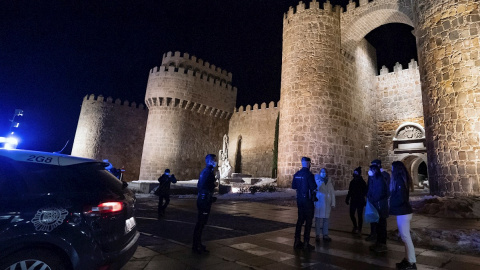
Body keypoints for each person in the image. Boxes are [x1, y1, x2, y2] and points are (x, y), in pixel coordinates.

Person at [390, 161, 417, 270]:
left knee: (406, 238)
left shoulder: (400, 181)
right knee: (405, 237)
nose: (391, 170)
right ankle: (407, 259)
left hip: (403, 212)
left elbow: (400, 198)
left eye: (392, 168)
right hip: (403, 212)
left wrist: (391, 206)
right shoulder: (402, 180)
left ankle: (411, 262)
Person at [192, 154, 218, 254]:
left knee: (201, 223)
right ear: (210, 161)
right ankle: (196, 246)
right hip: (204, 201)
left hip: (204, 199)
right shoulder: (208, 172)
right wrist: (213, 186)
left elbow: (200, 185)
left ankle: (197, 244)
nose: (216, 161)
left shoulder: (206, 171)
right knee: (200, 223)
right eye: (214, 160)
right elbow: (203, 186)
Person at [291, 157, 317, 251]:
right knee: (308, 222)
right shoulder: (309, 175)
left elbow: (294, 186)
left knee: (300, 220)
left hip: (300, 200)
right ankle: (306, 243)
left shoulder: (297, 174)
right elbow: (314, 186)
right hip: (307, 201)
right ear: (308, 163)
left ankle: (297, 241)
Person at [366, 159, 390, 242]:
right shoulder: (372, 176)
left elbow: (384, 191)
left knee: (381, 222)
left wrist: (375, 199)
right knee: (373, 219)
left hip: (379, 203)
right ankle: (373, 234)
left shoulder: (384, 176)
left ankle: (381, 241)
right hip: (373, 203)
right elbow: (369, 187)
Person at [314, 168, 336, 242]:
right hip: (319, 203)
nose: (324, 173)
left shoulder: (329, 182)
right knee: (317, 220)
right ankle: (317, 235)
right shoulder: (317, 181)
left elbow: (332, 193)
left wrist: (333, 203)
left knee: (326, 220)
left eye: (325, 172)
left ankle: (325, 234)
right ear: (320, 173)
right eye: (322, 172)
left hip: (327, 203)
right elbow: (316, 189)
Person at [345, 167, 367, 235]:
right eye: (354, 172)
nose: (354, 174)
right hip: (353, 200)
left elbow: (365, 191)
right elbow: (350, 191)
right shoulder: (352, 182)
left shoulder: (362, 182)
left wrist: (362, 198)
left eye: (356, 172)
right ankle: (355, 226)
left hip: (360, 201)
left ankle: (359, 229)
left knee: (360, 215)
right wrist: (347, 198)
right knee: (352, 214)